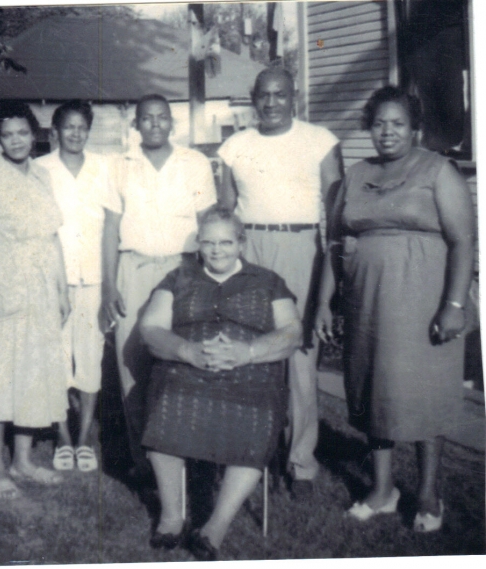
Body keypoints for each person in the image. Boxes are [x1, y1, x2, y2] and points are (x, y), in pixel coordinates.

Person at [315, 86, 475, 532]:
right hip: (366, 300)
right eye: (380, 123)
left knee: (425, 391)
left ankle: (427, 492)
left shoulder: (437, 169)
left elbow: (463, 240)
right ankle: (383, 490)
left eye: (397, 124)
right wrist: (325, 302)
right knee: (371, 390)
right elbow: (334, 242)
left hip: (424, 298)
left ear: (415, 129)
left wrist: (454, 304)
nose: (387, 132)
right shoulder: (356, 174)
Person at [140, 207, 302, 560]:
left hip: (252, 367)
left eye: (225, 243)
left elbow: (292, 332)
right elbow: (151, 329)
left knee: (256, 411)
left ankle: (216, 526)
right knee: (168, 400)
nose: (216, 251)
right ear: (198, 244)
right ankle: (171, 516)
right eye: (208, 243)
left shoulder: (268, 280)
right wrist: (187, 351)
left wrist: (249, 352)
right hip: (186, 364)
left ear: (241, 243)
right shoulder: (178, 277)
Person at [218, 67, 343, 499]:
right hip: (250, 249)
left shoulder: (320, 141)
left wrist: (333, 270)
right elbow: (226, 208)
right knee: (249, 350)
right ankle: (252, 451)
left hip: (300, 246)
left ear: (294, 97)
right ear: (253, 98)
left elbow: (336, 211)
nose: (271, 103)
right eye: (263, 96)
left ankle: (301, 462)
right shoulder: (235, 146)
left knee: (299, 356)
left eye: (280, 95)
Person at [102, 94, 217, 481]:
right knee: (133, 363)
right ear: (135, 125)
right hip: (132, 268)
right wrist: (108, 285)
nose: (154, 124)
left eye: (161, 118)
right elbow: (109, 229)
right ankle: (145, 462)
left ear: (172, 124)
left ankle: (188, 458)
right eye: (146, 119)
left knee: (182, 363)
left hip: (181, 270)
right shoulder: (120, 166)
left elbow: (207, 223)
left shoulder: (195, 163)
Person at [0, 101, 70, 500]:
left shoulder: (42, 174)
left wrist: (61, 289)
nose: (16, 141)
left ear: (34, 134)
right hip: (4, 277)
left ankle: (23, 460)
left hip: (42, 282)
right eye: (7, 135)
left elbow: (53, 237)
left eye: (23, 133)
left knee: (34, 371)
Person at [36, 100, 113, 472]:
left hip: (93, 280)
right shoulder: (39, 170)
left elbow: (111, 228)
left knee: (90, 358)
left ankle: (85, 440)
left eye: (82, 127)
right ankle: (61, 438)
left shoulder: (102, 168)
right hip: (54, 281)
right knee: (56, 359)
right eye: (68, 127)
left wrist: (110, 287)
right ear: (55, 131)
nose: (76, 133)